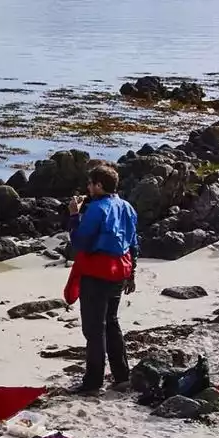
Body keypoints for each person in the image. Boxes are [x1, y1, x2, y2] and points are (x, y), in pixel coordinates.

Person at [65, 163, 139, 394]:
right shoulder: (127, 207)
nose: (88, 187)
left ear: (99, 185)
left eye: (90, 183)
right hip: (119, 270)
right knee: (112, 322)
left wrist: (74, 215)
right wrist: (132, 273)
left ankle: (93, 382)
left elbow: (80, 242)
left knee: (95, 329)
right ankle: (122, 375)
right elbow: (134, 242)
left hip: (97, 271)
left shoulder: (97, 209)